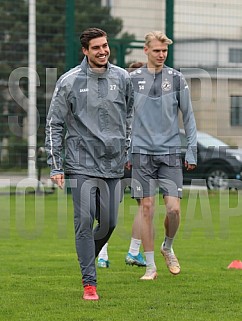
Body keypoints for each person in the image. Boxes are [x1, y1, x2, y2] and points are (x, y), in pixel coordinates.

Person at [45, 27, 134, 300]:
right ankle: (89, 282)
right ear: (85, 51)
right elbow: (54, 124)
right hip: (80, 163)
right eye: (96, 47)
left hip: (113, 165)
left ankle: (87, 255)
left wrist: (127, 150)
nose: (103, 51)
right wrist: (56, 165)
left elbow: (129, 116)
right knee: (84, 221)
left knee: (108, 223)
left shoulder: (123, 78)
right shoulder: (69, 81)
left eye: (105, 46)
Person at [126, 30, 197, 280]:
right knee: (146, 208)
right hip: (141, 153)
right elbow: (124, 116)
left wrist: (192, 150)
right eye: (156, 50)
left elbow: (188, 117)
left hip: (170, 153)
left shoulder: (177, 79)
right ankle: (150, 266)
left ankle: (167, 246)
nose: (161, 55)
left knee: (173, 210)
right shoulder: (131, 79)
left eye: (164, 51)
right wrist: (126, 149)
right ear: (146, 50)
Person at [97, 61, 147, 269]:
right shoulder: (116, 100)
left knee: (144, 205)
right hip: (121, 158)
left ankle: (128, 253)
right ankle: (106, 253)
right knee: (110, 210)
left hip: (138, 158)